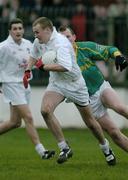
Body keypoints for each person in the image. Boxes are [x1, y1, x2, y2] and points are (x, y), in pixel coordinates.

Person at [23, 16, 116, 165]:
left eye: (37, 32)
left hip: (75, 84)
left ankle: (106, 148)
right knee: (45, 110)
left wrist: (43, 67)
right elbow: (34, 55)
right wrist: (28, 70)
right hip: (57, 83)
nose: (35, 35)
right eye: (34, 33)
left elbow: (65, 66)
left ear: (47, 30)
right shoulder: (39, 41)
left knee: (91, 122)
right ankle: (64, 147)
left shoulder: (61, 43)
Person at [58, 25, 128, 156]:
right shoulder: (57, 58)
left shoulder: (84, 47)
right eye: (61, 38)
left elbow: (109, 49)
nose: (65, 40)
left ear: (74, 37)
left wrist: (118, 56)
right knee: (114, 133)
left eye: (67, 37)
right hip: (89, 101)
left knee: (120, 108)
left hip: (101, 88)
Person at [0, 18, 55, 159]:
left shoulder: (28, 44)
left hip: (24, 84)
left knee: (15, 122)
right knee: (28, 117)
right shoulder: (4, 47)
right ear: (9, 31)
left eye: (20, 28)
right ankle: (42, 151)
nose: (18, 31)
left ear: (23, 30)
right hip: (10, 84)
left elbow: (36, 58)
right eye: (15, 29)